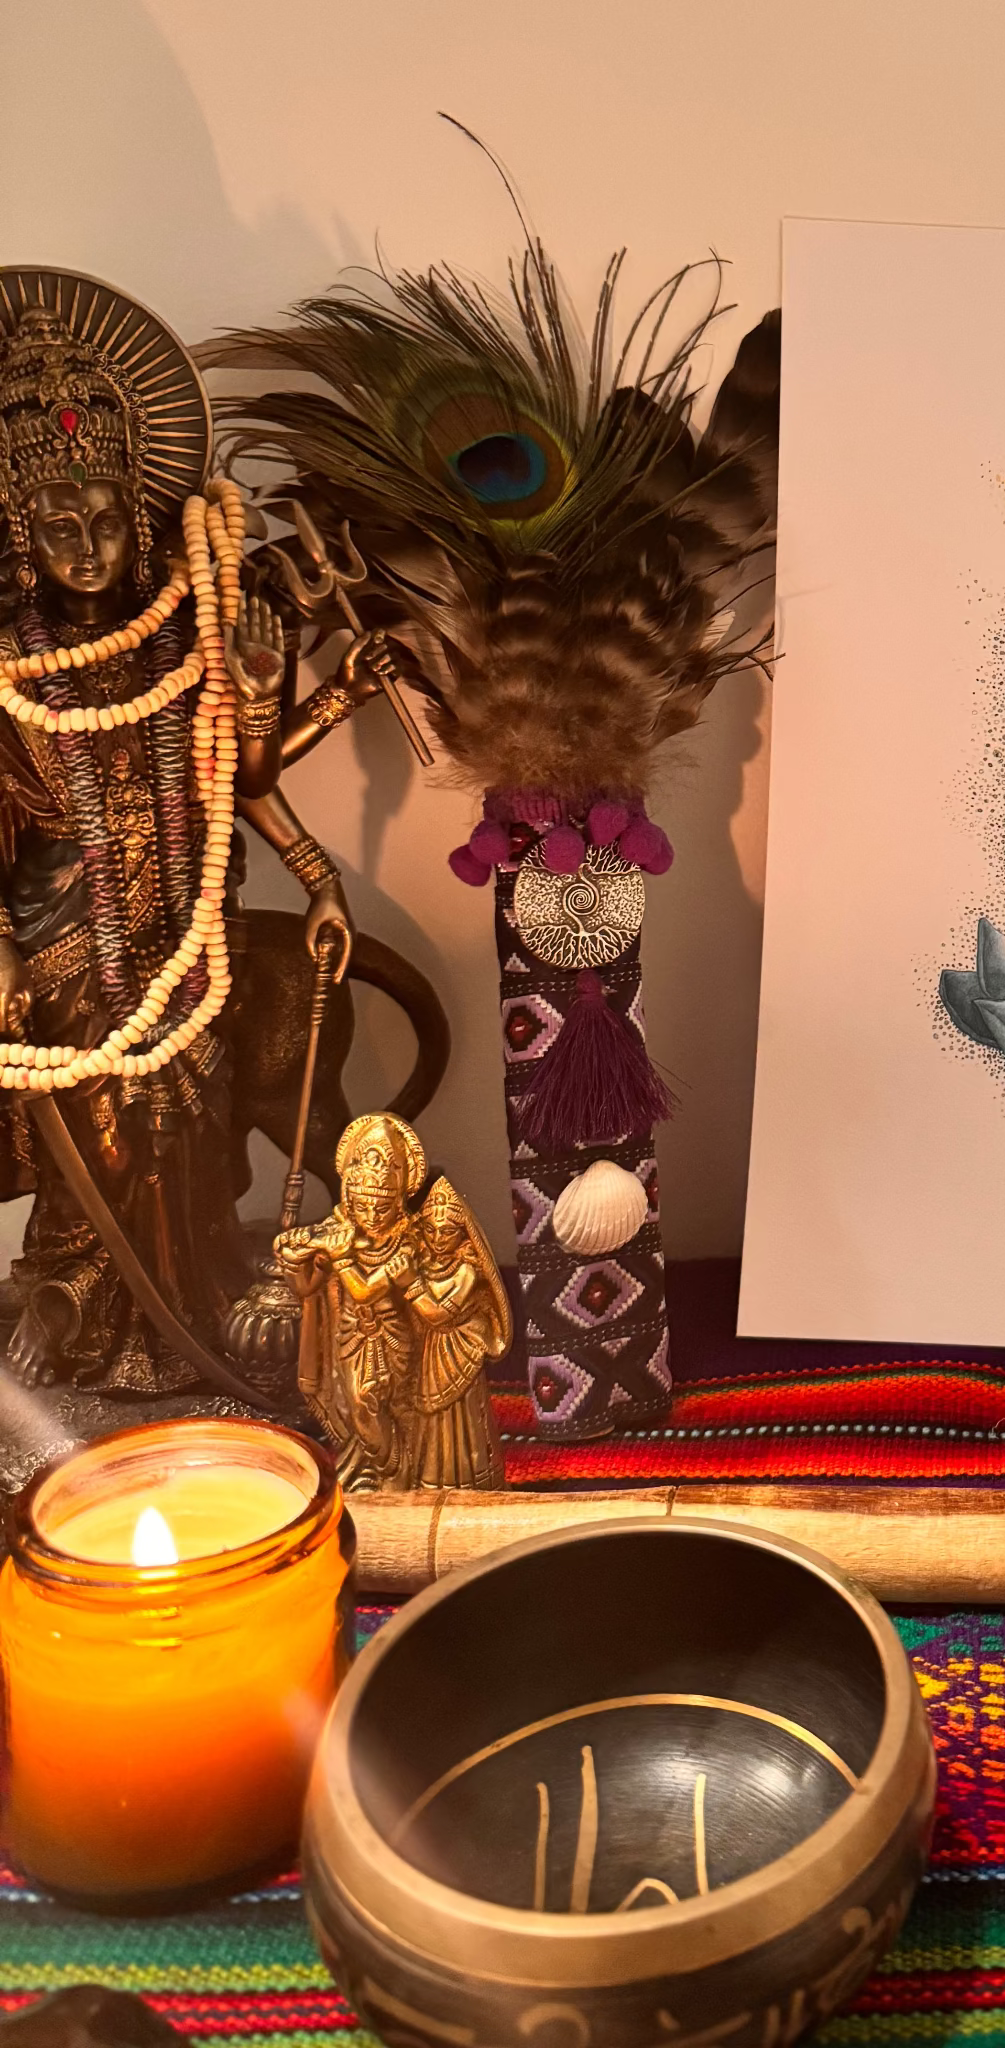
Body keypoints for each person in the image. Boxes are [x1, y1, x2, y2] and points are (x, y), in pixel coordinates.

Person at [0, 281, 373, 1391]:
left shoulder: (182, 623)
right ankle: (69, 1297)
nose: (90, 547)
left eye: (109, 518)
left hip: (181, 919)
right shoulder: (11, 666)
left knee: (193, 1122)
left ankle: (200, 1295)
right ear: (21, 530)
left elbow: (237, 778)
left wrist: (270, 699)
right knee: (100, 1123)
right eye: (61, 528)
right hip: (69, 941)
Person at [277, 1113, 425, 1489]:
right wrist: (294, 1262)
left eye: (382, 1207)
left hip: (389, 1337)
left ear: (400, 1197)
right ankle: (368, 1469)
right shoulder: (336, 1231)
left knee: (367, 1402)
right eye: (363, 1207)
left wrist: (341, 1257)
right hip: (345, 1334)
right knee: (346, 1406)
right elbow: (307, 1287)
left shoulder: (407, 1242)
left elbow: (365, 1290)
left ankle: (397, 1474)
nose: (372, 1216)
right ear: (348, 1197)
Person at [404, 1175, 510, 1490]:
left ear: (462, 1234)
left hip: (459, 1349)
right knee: (429, 1417)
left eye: (447, 1231)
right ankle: (431, 1481)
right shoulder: (421, 1264)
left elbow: (440, 1314)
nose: (438, 1239)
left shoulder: (467, 1270)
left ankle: (470, 1480)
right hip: (429, 1355)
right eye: (431, 1230)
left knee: (462, 1418)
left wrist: (411, 1287)